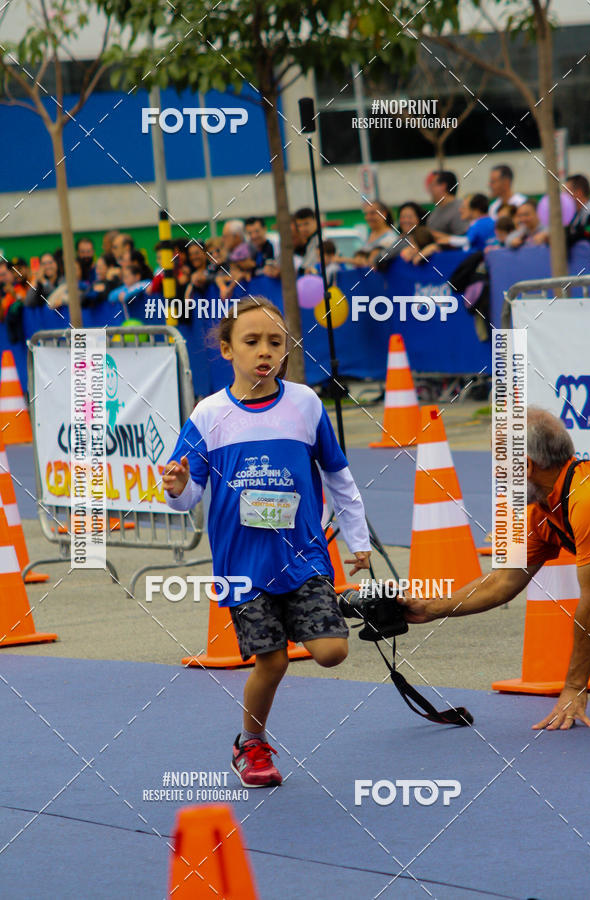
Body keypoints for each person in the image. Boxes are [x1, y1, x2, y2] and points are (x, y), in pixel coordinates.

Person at [162, 297, 371, 787]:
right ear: (227, 349)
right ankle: (250, 744)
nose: (264, 351)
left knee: (332, 652)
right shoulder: (209, 414)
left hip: (303, 557)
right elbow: (187, 490)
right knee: (272, 661)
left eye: (275, 342)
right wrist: (176, 489)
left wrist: (357, 539)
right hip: (243, 566)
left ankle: (314, 608)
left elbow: (338, 475)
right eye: (251, 341)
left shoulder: (305, 403)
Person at [403, 407, 590, 731]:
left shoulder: (588, 499)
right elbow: (502, 581)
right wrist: (430, 608)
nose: (497, 474)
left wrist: (574, 687)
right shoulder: (544, 509)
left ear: (525, 466)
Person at [425, 170, 469, 241]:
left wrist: (432, 235)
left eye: (432, 185)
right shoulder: (436, 210)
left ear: (443, 186)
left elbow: (464, 239)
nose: (430, 189)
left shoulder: (460, 209)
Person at [565, 174, 590, 249]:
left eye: (567, 192)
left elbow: (589, 231)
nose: (564, 196)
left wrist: (568, 238)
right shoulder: (576, 215)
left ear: (579, 192)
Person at [294, 207, 320, 275]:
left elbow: (306, 267)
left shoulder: (319, 241)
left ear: (316, 221)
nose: (302, 229)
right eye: (299, 226)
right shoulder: (309, 241)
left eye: (306, 224)